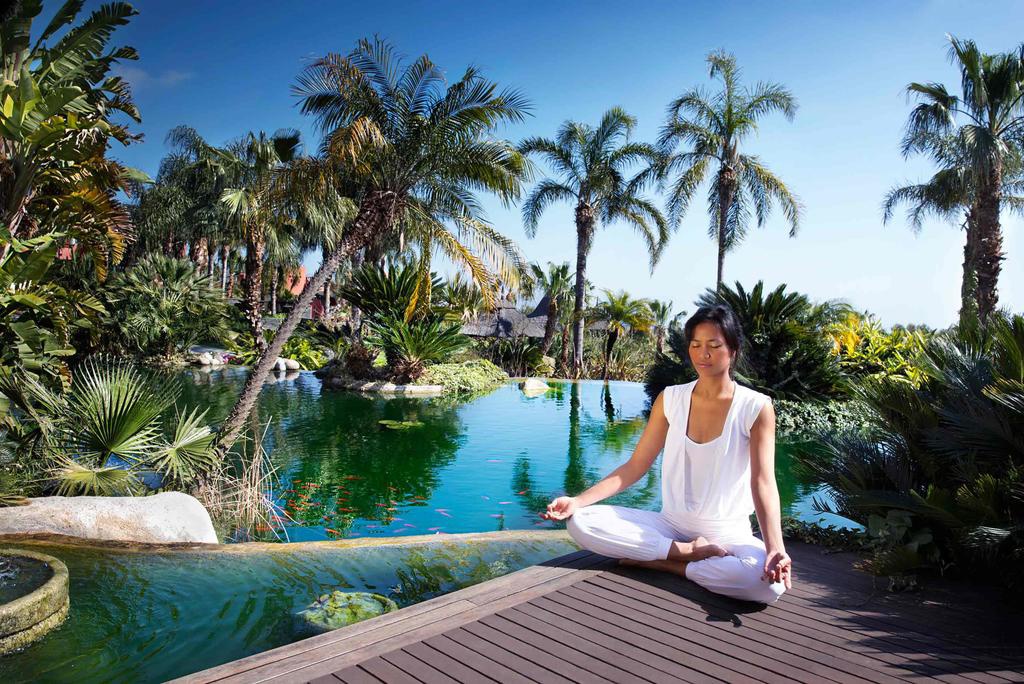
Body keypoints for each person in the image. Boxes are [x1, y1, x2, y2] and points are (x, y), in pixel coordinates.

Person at [542, 305, 792, 603]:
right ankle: (684, 553)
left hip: (728, 533)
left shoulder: (755, 407)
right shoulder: (671, 399)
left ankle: (668, 564)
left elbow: (763, 482)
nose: (703, 354)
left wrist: (775, 547)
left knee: (768, 586)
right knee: (581, 522)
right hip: (670, 526)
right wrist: (577, 501)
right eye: (696, 345)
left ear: (733, 349)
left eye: (714, 346)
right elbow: (635, 466)